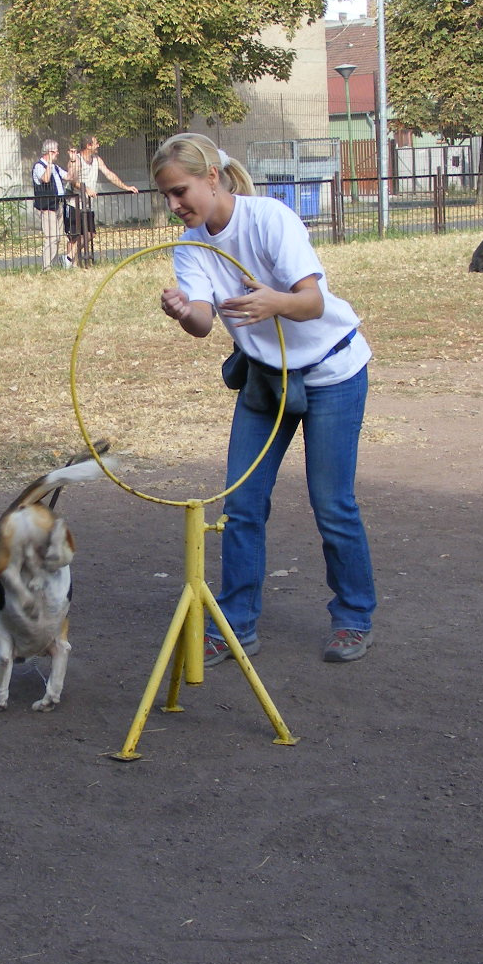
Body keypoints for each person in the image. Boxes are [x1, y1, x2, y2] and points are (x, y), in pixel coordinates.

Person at [153, 132, 376, 665]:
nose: (174, 205)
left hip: (332, 372)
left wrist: (273, 303)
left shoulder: (269, 218)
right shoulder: (189, 247)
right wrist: (184, 312)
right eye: (165, 195)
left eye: (180, 191)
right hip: (266, 380)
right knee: (243, 505)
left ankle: (353, 618)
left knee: (332, 503)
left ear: (212, 177)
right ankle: (235, 626)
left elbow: (312, 302)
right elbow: (205, 323)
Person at [66, 135, 138, 267]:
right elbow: (72, 180)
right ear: (88, 145)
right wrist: (85, 189)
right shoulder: (76, 159)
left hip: (88, 204)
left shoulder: (96, 160)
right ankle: (71, 264)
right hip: (74, 203)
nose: (98, 145)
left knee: (90, 234)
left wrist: (126, 187)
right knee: (74, 236)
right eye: (96, 143)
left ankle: (70, 257)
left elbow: (109, 174)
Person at [31, 140, 69, 270]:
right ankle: (46, 267)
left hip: (58, 205)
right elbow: (45, 179)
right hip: (46, 207)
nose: (58, 153)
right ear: (49, 152)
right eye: (56, 151)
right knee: (51, 237)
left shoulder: (55, 167)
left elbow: (69, 176)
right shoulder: (39, 166)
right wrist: (50, 163)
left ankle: (53, 263)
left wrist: (73, 161)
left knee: (57, 237)